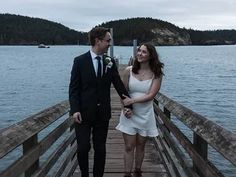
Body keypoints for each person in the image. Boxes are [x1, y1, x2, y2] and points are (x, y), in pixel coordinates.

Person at [69, 27, 132, 177]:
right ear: (98, 41)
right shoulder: (79, 61)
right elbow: (73, 89)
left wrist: (129, 104)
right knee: (83, 148)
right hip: (83, 114)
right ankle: (85, 174)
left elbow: (118, 85)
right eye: (108, 40)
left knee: (100, 149)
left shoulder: (109, 62)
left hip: (102, 113)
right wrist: (75, 109)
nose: (109, 44)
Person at [116, 43, 164, 177]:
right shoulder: (128, 71)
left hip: (145, 114)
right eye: (139, 51)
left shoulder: (157, 74)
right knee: (129, 146)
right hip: (129, 114)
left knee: (141, 145)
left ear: (150, 55)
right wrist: (126, 108)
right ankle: (127, 174)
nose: (139, 54)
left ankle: (138, 170)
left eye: (143, 52)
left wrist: (132, 101)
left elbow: (151, 95)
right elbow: (123, 92)